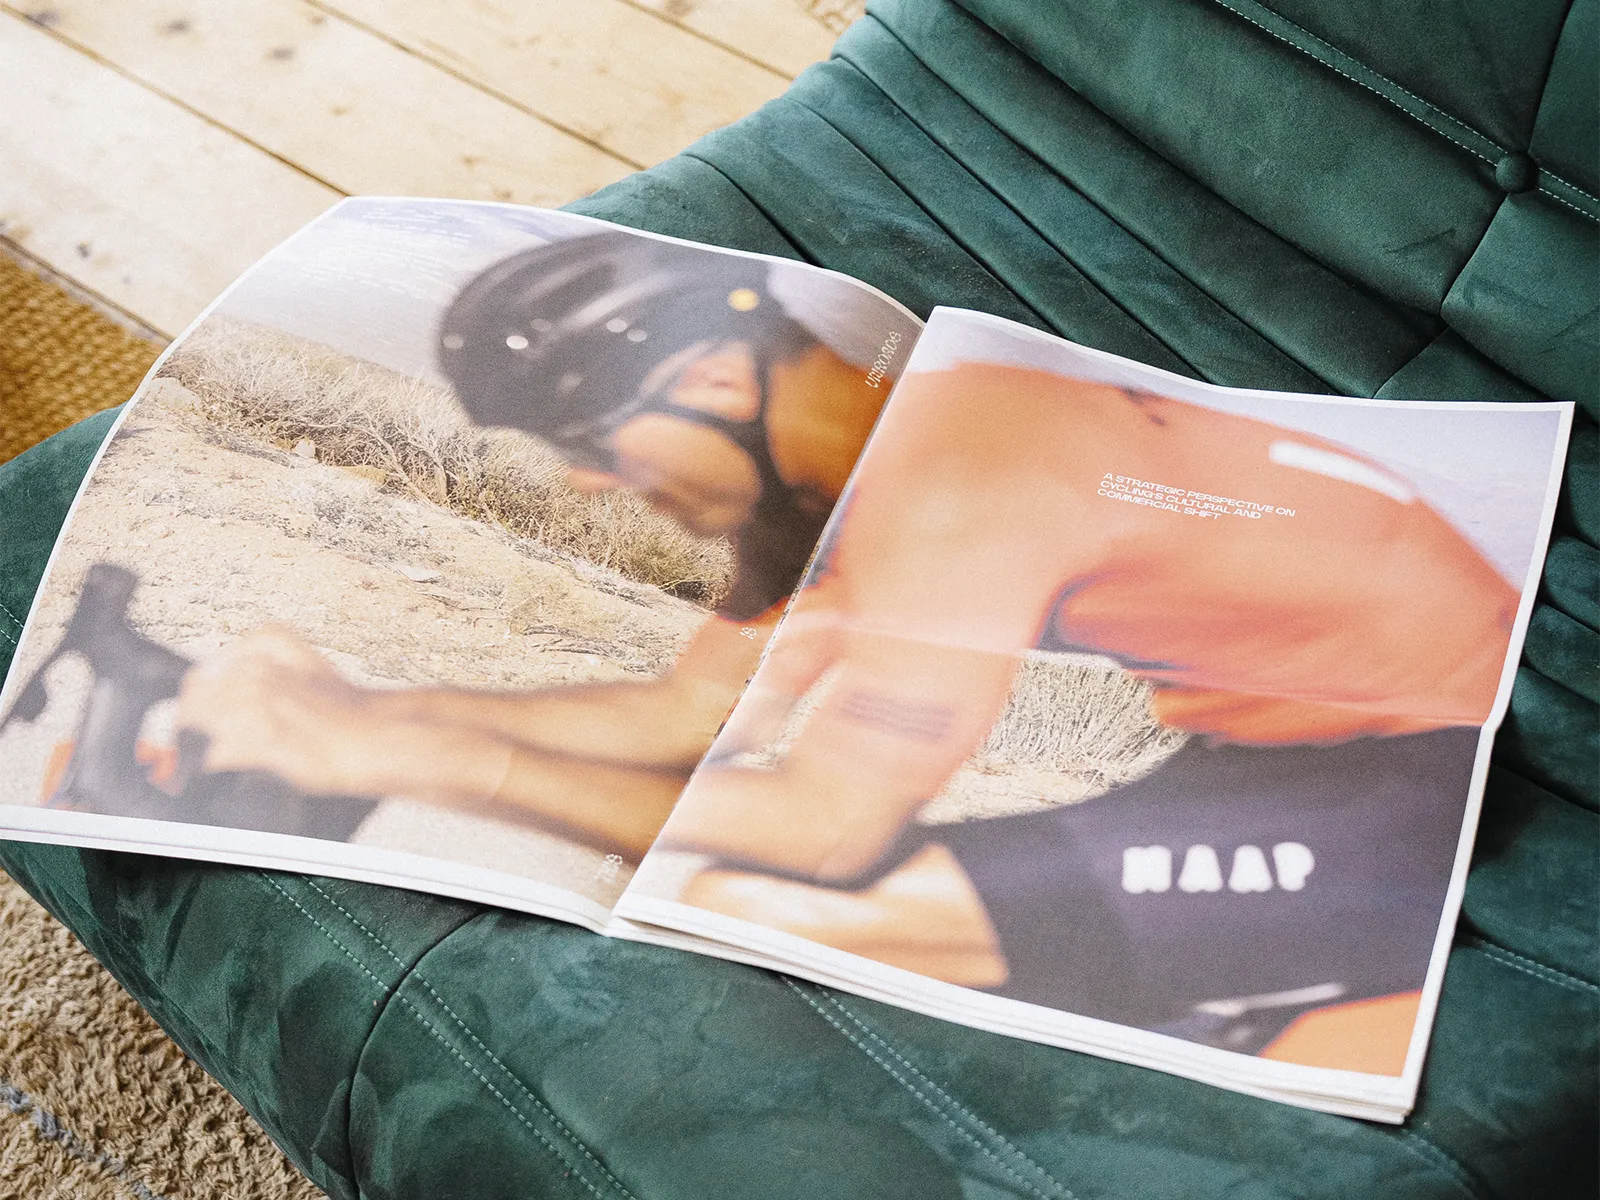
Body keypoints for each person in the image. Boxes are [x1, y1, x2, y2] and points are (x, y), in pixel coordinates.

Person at [646, 358, 1518, 1044]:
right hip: (1258, 763)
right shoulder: (931, 468)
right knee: (753, 894)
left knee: (754, 908)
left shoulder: (982, 476)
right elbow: (751, 678)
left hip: (1420, 771)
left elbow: (836, 796)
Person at [174, 231, 898, 857]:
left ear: (719, 383)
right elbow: (692, 709)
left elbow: (831, 832)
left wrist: (408, 755)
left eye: (595, 443)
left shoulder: (939, 472)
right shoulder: (788, 515)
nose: (585, 482)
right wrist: (363, 710)